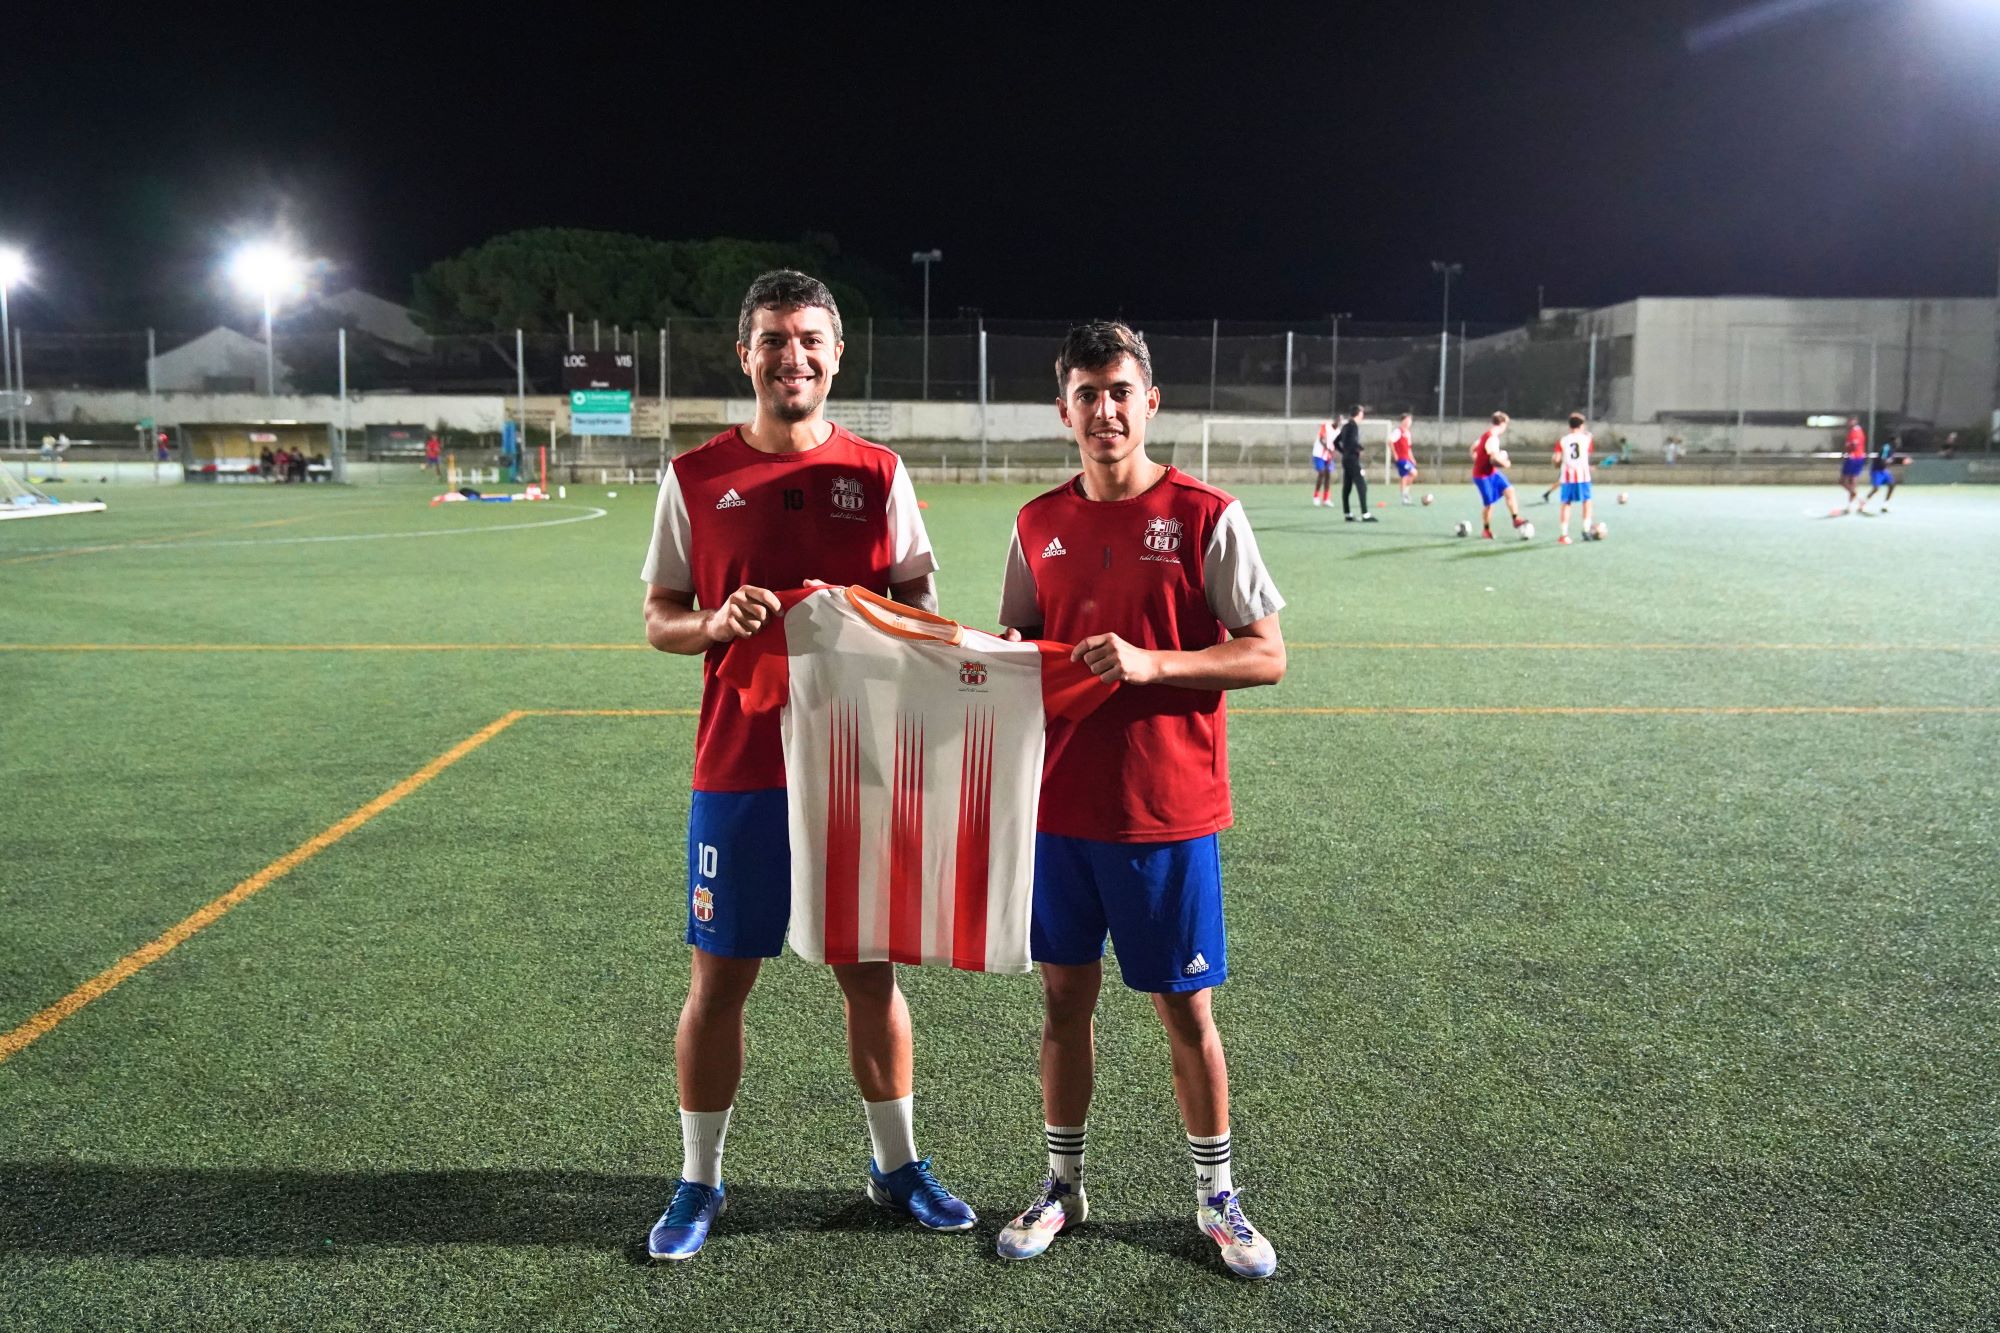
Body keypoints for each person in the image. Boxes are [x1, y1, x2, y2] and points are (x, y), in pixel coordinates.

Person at [639, 270, 970, 1260]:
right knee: (718, 981)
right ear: (745, 354)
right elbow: (658, 617)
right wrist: (712, 621)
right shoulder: (694, 476)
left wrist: (860, 610)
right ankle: (700, 1180)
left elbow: (924, 614)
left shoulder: (878, 473)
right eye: (776, 339)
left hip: (856, 767)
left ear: (837, 354)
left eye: (811, 339)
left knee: (869, 974)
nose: (795, 356)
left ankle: (895, 1165)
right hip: (738, 767)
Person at [994, 321, 1287, 1280]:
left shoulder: (1206, 515)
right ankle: (1062, 1185)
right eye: (1087, 393)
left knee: (1186, 1010)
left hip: (1166, 812)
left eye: (1120, 391)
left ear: (1150, 401)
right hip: (1059, 811)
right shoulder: (1036, 522)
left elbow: (1266, 654)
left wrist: (1151, 662)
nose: (1105, 410)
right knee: (1062, 1002)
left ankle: (1217, 1196)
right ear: (1064, 410)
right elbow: (1016, 642)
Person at [1471, 411, 1526, 538]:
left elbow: (1473, 448)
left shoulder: (1487, 435)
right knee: (1489, 504)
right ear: (1502, 424)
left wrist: (1476, 458)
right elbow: (1493, 460)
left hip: (1491, 473)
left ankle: (1516, 519)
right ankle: (1486, 530)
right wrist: (1505, 463)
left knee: (1509, 490)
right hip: (1482, 476)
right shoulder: (1492, 438)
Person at [1554, 412, 1595, 544]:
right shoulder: (1587, 439)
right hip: (1583, 476)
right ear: (1582, 425)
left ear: (1569, 426)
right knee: (1587, 502)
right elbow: (1585, 456)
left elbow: (1556, 460)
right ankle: (1586, 530)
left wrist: (1557, 463)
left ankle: (1564, 534)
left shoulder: (1562, 440)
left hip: (1567, 476)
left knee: (1566, 503)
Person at [1336, 405, 1375, 521]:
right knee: (1362, 486)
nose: (1363, 415)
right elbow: (1353, 442)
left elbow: (1335, 442)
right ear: (1358, 414)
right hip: (1352, 460)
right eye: (1362, 413)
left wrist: (1344, 452)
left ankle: (1347, 514)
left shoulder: (1346, 426)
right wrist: (1360, 449)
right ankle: (1365, 514)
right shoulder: (1353, 426)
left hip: (1346, 460)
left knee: (1347, 487)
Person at [1859, 434, 1902, 514]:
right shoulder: (1886, 448)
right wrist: (1896, 462)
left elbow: (1890, 461)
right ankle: (1862, 503)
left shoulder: (1892, 450)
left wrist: (1899, 462)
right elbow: (1883, 460)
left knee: (1892, 485)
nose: (1898, 443)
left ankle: (1885, 506)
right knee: (1876, 488)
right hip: (1877, 470)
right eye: (1897, 441)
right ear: (1893, 441)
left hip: (1883, 470)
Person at [1389, 412, 1419, 504]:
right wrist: (1394, 453)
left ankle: (1405, 495)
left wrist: (1412, 458)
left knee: (1405, 476)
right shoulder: (1398, 431)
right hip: (1401, 459)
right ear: (1402, 421)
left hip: (1407, 458)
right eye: (1407, 420)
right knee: (1412, 473)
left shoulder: (1408, 433)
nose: (1408, 422)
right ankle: (1405, 495)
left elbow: (1408, 448)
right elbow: (1390, 441)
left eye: (1410, 421)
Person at [1840, 417, 1866, 512]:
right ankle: (1852, 504)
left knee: (1845, 481)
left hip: (1853, 458)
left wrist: (1848, 452)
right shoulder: (1855, 431)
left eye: (1850, 421)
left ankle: (1858, 500)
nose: (1849, 423)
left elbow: (1854, 445)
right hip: (1857, 457)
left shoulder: (1856, 431)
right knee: (1851, 482)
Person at [1311, 417, 1338, 506]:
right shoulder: (1325, 426)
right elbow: (1321, 439)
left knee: (1328, 475)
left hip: (1328, 456)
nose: (1338, 422)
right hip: (1319, 454)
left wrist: (1334, 451)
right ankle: (1316, 496)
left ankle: (1326, 499)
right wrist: (1327, 448)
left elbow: (1336, 443)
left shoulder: (1338, 431)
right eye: (1337, 419)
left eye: (1340, 420)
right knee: (1321, 473)